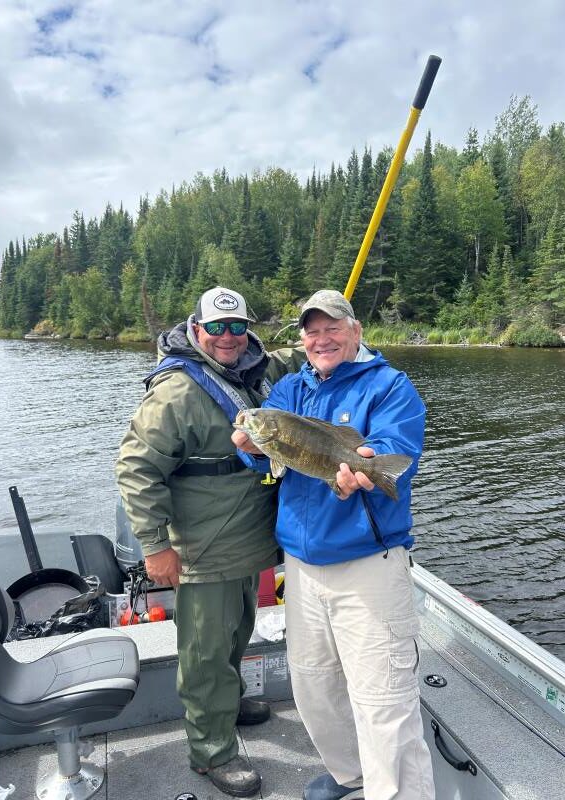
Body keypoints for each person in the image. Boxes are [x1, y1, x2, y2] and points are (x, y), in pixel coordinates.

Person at [232, 289, 435, 800]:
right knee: (313, 685)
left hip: (368, 564)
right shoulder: (291, 390)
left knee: (382, 699)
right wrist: (250, 445)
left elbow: (395, 448)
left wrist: (369, 463)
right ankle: (352, 776)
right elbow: (268, 457)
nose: (321, 339)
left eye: (332, 328)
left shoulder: (390, 386)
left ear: (356, 330)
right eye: (312, 331)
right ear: (301, 340)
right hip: (301, 566)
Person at [116, 286, 303, 798]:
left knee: (239, 630)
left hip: (249, 539)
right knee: (205, 653)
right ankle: (211, 749)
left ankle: (230, 703)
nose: (227, 338)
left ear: (249, 329)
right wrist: (155, 546)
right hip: (204, 547)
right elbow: (135, 469)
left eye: (236, 326)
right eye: (215, 328)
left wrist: (330, 342)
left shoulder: (256, 373)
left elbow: (299, 366)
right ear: (196, 329)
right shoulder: (176, 392)